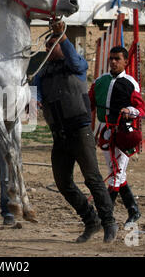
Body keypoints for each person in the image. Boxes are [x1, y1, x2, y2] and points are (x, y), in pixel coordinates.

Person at [33, 21, 118, 243]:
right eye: (47, 45)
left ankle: (108, 222)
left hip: (79, 131)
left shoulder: (75, 65)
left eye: (55, 44)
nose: (50, 48)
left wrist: (63, 37)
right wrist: (35, 102)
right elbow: (37, 94)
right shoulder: (42, 73)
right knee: (63, 183)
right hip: (59, 135)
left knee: (92, 178)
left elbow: (75, 61)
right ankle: (91, 221)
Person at [89, 46, 145, 226]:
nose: (113, 62)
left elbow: (140, 109)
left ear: (125, 61)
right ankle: (133, 210)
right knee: (116, 173)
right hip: (105, 132)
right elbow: (88, 103)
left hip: (122, 132)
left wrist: (130, 110)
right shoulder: (100, 81)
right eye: (111, 58)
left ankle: (105, 216)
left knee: (115, 174)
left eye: (117, 59)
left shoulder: (130, 83)